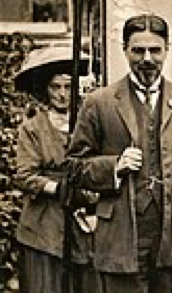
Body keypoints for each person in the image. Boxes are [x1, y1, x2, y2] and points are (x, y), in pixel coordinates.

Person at [66, 14, 172, 293]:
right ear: (125, 50)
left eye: (155, 50)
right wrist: (114, 166)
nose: (147, 58)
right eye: (138, 50)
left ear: (166, 50)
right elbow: (73, 167)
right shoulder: (99, 102)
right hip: (122, 233)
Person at [15, 45, 98, 293]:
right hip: (44, 225)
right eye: (55, 87)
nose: (63, 94)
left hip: (82, 220)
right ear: (45, 90)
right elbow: (24, 176)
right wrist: (59, 189)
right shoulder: (33, 128)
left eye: (68, 86)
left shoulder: (89, 125)